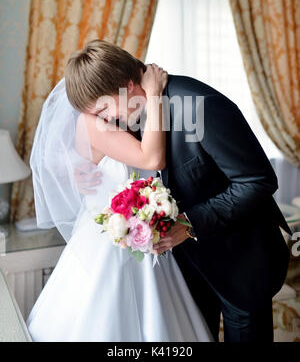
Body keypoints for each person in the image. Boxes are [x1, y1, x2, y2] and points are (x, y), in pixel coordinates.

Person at [70, 40, 291, 342]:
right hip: (182, 269)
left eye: (105, 109)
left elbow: (257, 181)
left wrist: (189, 224)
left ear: (127, 84)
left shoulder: (199, 104)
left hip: (239, 261)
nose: (106, 121)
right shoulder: (132, 114)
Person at [26, 41, 213, 342]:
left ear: (123, 85)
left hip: (138, 239)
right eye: (93, 111)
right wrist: (153, 94)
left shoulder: (118, 120)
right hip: (110, 247)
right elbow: (152, 159)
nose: (102, 116)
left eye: (101, 107)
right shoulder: (93, 123)